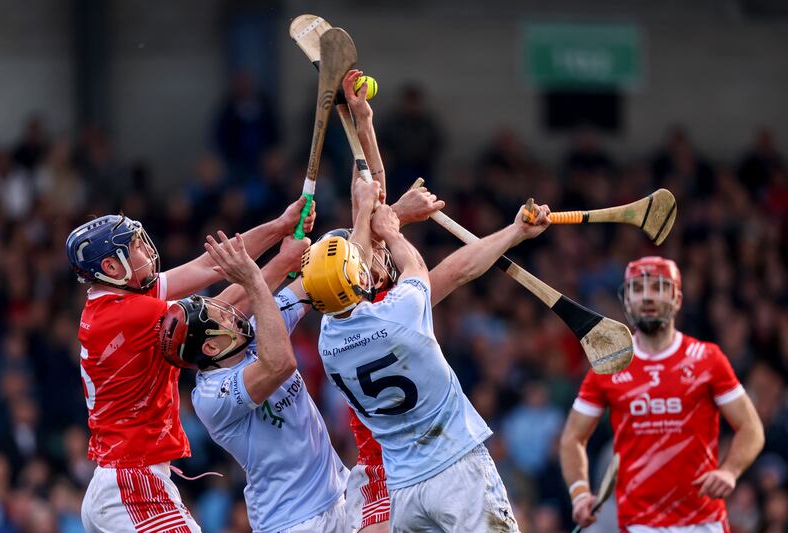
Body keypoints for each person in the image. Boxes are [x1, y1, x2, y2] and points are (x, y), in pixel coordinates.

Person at [302, 160, 550, 532]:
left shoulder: (328, 341)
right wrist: (393, 229)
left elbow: (352, 271)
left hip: (404, 490)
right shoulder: (401, 311)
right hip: (455, 468)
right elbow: (446, 269)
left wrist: (366, 211)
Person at [66, 197, 314, 532]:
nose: (146, 250)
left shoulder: (118, 298)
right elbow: (217, 317)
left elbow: (208, 266)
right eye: (135, 246)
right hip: (132, 483)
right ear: (112, 267)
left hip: (121, 480)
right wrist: (284, 262)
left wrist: (281, 225)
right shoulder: (127, 315)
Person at [559, 256, 765, 533]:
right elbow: (573, 437)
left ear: (677, 298)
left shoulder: (708, 359)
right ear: (626, 300)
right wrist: (581, 493)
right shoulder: (609, 366)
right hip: (639, 524)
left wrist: (730, 470)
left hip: (704, 522)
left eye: (658, 287)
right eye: (638, 289)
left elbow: (751, 428)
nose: (647, 297)